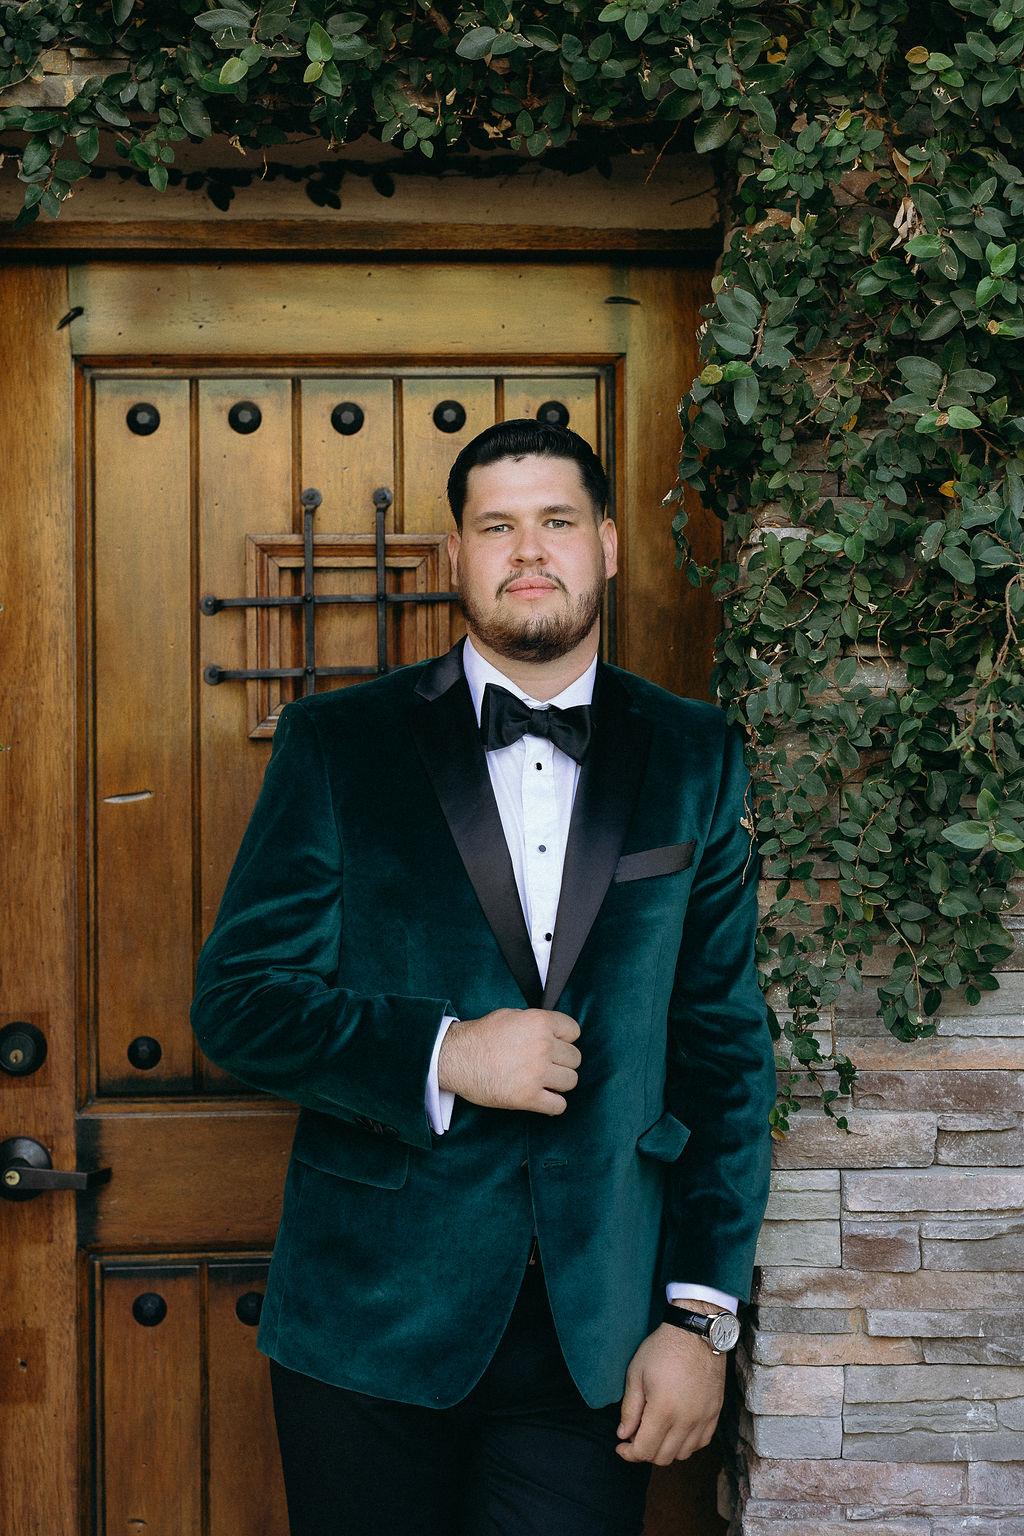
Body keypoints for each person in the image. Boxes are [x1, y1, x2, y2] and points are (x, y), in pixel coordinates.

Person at [191, 419, 775, 1536]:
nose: (527, 550)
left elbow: (723, 1055)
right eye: (494, 526)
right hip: (367, 1325)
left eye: (555, 520)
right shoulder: (338, 744)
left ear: (606, 545)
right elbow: (240, 1001)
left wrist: (697, 1322)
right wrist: (446, 1053)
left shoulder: (695, 754)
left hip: (595, 1338)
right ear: (455, 558)